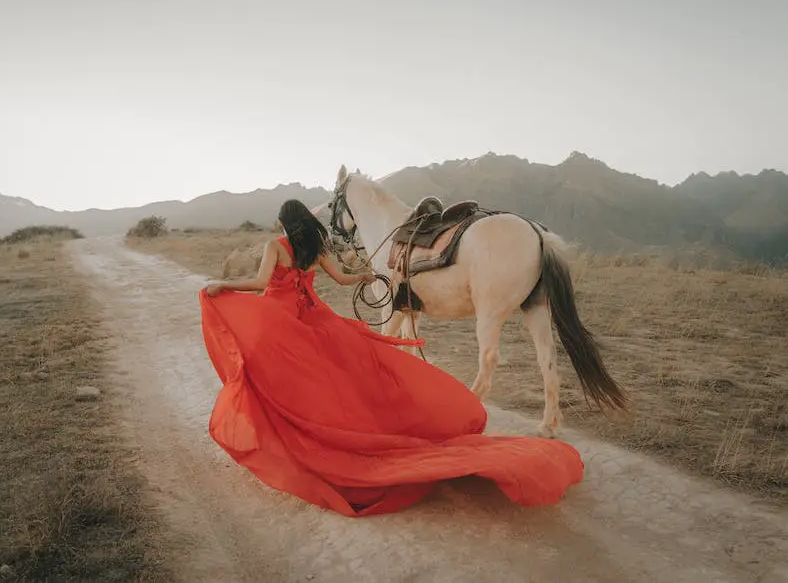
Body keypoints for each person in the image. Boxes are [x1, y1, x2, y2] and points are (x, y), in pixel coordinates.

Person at [199, 199, 583, 516]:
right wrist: (367, 277)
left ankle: (291, 438)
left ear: (284, 222)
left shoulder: (274, 247)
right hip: (314, 318)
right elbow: (345, 279)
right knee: (341, 372)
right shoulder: (316, 249)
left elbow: (258, 283)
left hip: (280, 321)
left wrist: (222, 286)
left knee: (260, 373)